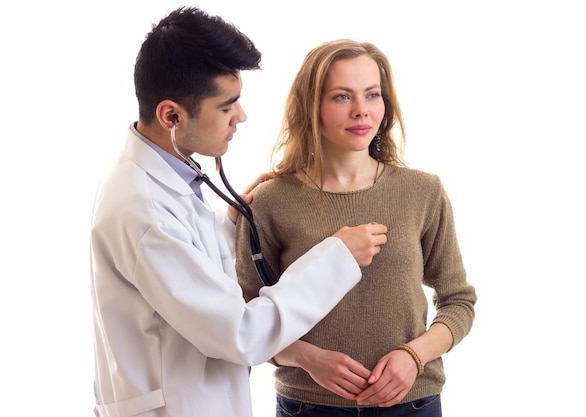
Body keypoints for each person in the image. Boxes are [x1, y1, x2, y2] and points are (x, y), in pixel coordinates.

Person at [89, 9, 388, 417]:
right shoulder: (144, 210)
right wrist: (335, 257)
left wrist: (225, 222)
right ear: (171, 116)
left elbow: (180, 263)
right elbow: (241, 333)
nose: (241, 117)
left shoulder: (157, 181)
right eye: (228, 106)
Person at [235, 39, 477, 417]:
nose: (362, 111)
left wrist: (413, 356)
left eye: (372, 95)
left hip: (413, 403)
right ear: (310, 107)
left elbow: (458, 301)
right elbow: (244, 318)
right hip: (309, 406)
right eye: (342, 97)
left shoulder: (423, 191)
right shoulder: (270, 201)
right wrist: (308, 358)